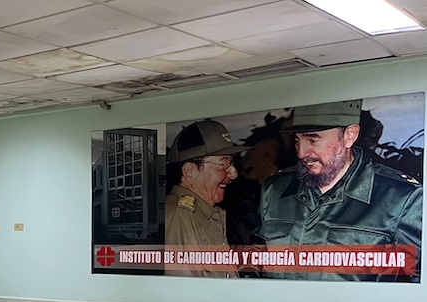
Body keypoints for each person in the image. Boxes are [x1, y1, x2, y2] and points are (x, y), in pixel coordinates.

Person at [257, 99, 422, 281]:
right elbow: (254, 261)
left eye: (313, 139)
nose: (301, 153)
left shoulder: (401, 198)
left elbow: (417, 285)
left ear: (349, 135)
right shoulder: (275, 188)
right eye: (296, 141)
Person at [164, 119, 248, 277]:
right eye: (224, 163)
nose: (234, 173)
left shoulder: (203, 214)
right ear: (190, 171)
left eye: (231, 162)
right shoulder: (179, 217)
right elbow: (181, 289)